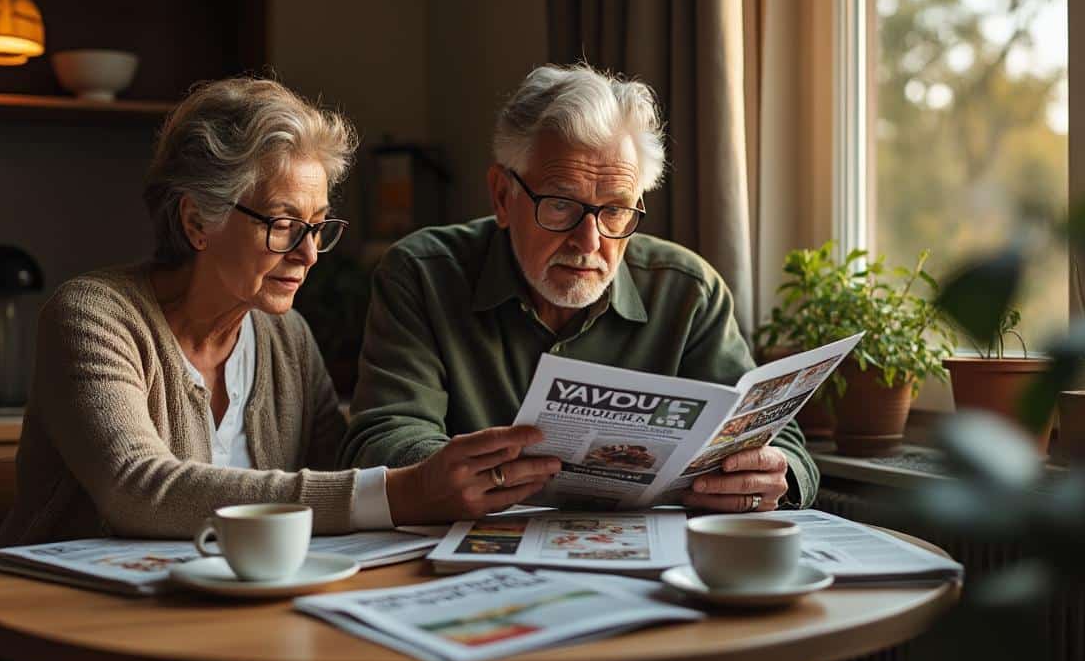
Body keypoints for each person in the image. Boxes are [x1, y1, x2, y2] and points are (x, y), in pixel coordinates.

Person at [0, 77, 559, 661]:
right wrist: (398, 491)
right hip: (47, 638)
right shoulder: (93, 315)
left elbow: (337, 479)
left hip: (214, 638)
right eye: (284, 224)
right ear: (198, 220)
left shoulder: (287, 338)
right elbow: (139, 488)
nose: (309, 254)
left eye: (319, 226)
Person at [345, 63, 818, 516]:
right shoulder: (424, 275)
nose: (589, 242)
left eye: (615, 210)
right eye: (560, 205)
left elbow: (781, 444)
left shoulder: (689, 293)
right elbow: (381, 436)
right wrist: (446, 473)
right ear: (502, 196)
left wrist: (773, 476)